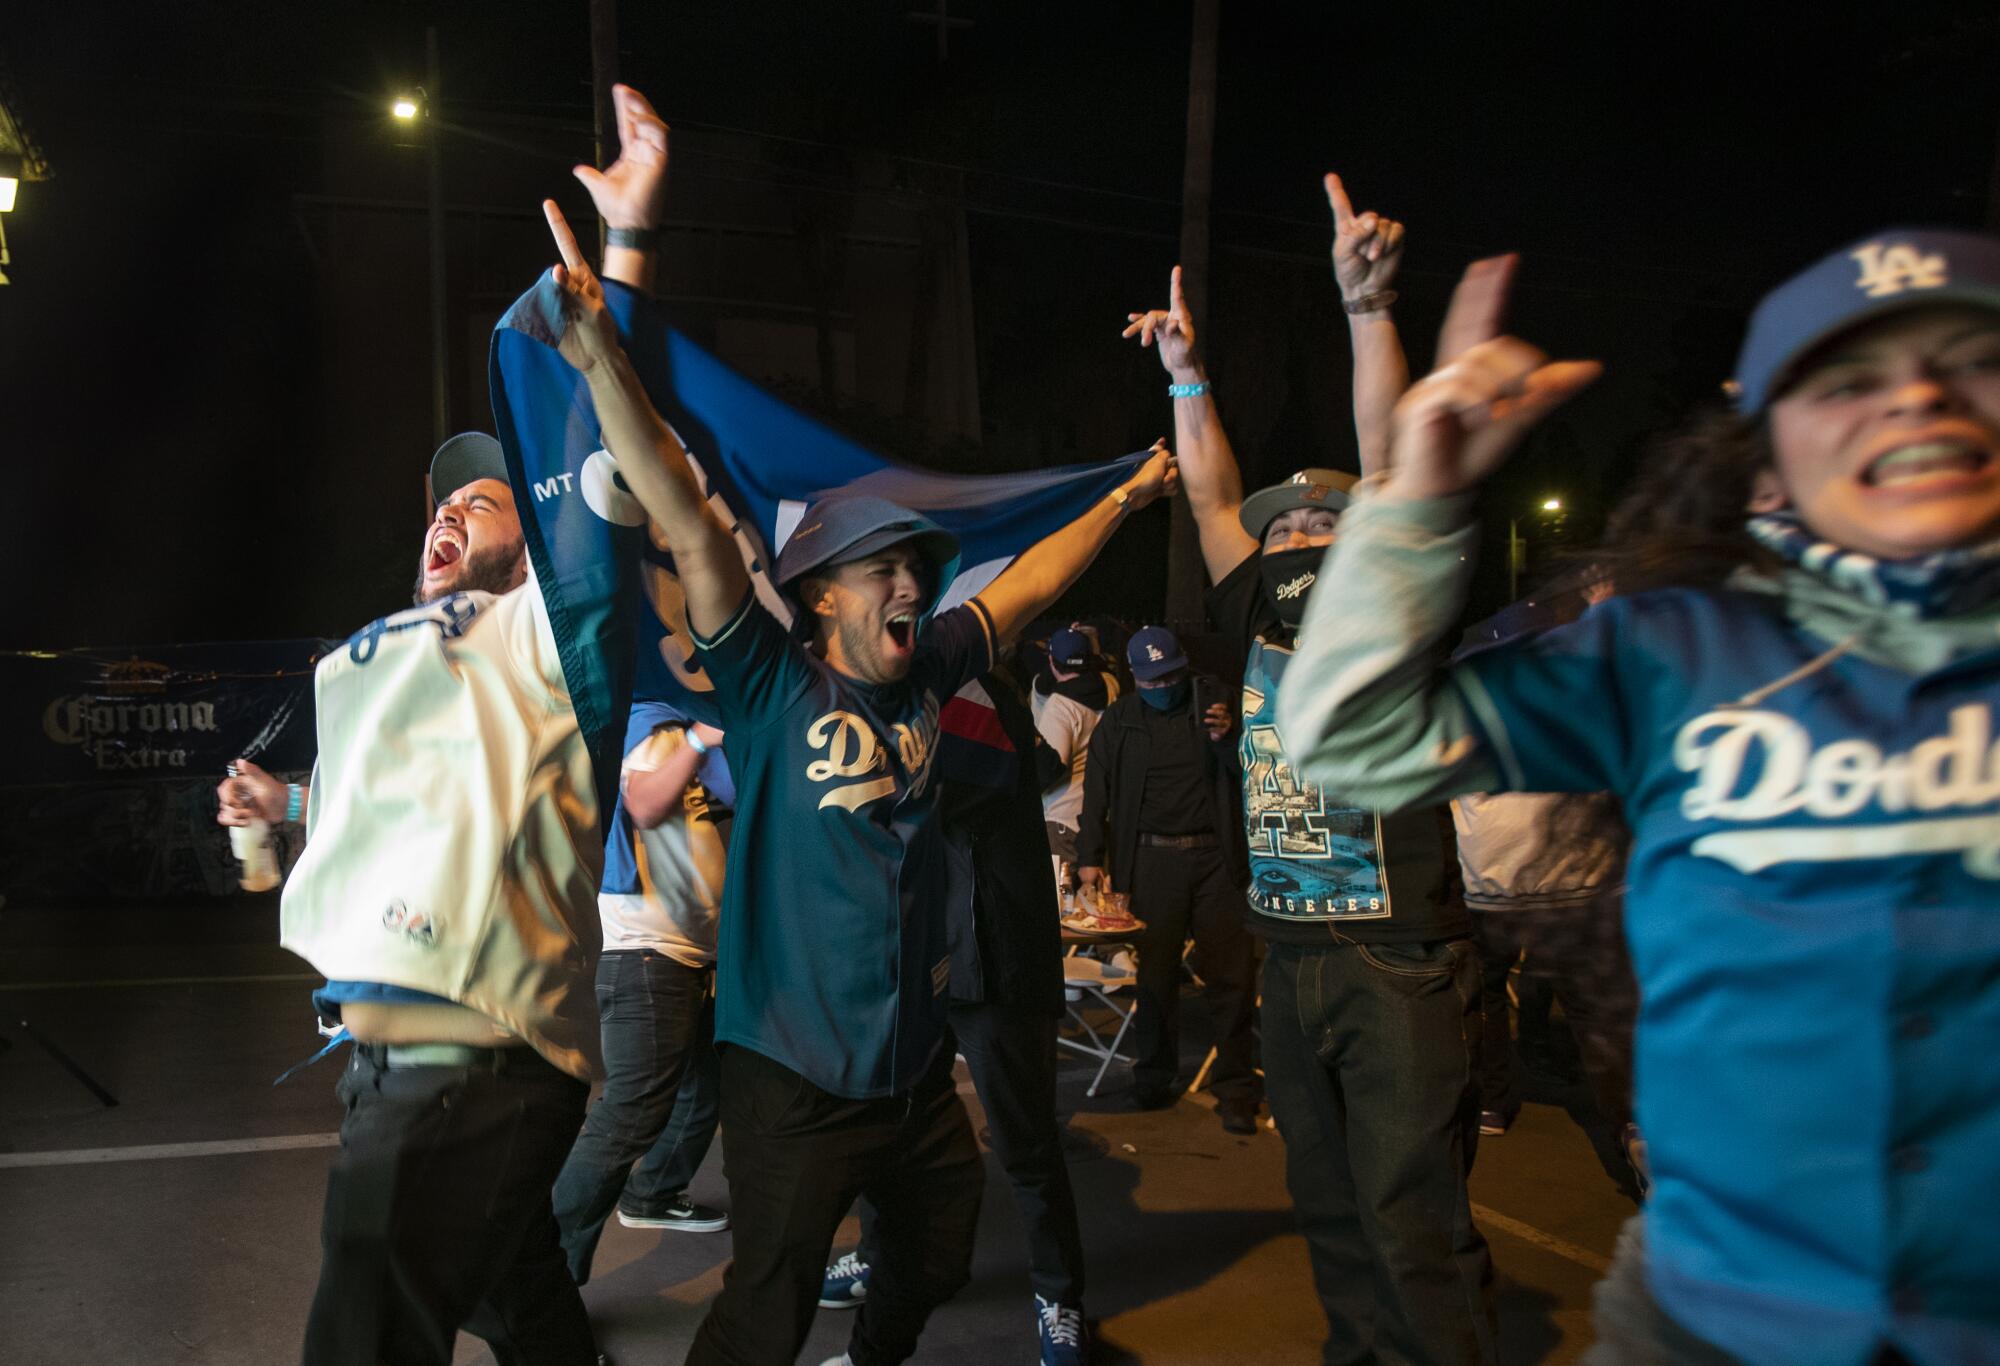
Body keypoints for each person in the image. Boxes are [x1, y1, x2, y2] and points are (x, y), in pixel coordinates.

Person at [1275, 227, 2000, 1363]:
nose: (1913, 401)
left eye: (1971, 362)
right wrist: (1418, 495)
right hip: (1716, 1312)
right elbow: (1350, 738)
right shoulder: (1674, 651)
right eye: (1846, 380)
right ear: (1764, 450)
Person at [531, 156, 1178, 1365]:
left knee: (931, 1254)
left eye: (914, 571)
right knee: (762, 1306)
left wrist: (1125, 502)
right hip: (790, 1079)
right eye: (882, 569)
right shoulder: (773, 684)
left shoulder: (930, 669)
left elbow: (1031, 578)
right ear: (819, 599)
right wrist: (597, 359)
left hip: (914, 1076)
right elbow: (674, 501)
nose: (910, 585)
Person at [214, 83, 682, 1366]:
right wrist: (269, 826)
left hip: (459, 1072)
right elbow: (342, 851)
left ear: (528, 543)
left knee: (360, 1341)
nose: (445, 515)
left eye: (479, 501)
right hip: (388, 1060)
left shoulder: (548, 631)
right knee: (518, 1302)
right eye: (435, 503)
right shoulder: (386, 666)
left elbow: (599, 481)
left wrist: (623, 267)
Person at [1123, 178, 1498, 1362]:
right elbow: (1211, 493)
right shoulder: (1260, 611)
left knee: (1412, 1220)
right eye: (1284, 527)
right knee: (1330, 1213)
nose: (1293, 532)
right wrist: (1185, 376)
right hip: (1289, 954)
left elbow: (1385, 466)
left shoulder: (1384, 592)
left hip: (1394, 953)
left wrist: (1365, 307)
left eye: (1317, 521)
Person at [820, 663, 1093, 1366]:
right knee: (894, 1131)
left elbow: (956, 787)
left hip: (996, 957)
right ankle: (882, 1258)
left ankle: (1059, 1297)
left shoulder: (971, 693)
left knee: (1025, 1141)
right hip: (918, 959)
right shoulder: (904, 699)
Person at [550, 702, 733, 1287]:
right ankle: (537, 1278)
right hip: (645, 953)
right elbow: (645, 804)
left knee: (704, 1088)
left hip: (685, 955)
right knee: (629, 1114)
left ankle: (652, 1194)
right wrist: (702, 737)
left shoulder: (692, 741)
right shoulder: (653, 723)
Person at [1072, 625, 1259, 1133]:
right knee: (1155, 979)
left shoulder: (1217, 703)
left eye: (1172, 677)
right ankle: (1153, 1077)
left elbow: (1255, 773)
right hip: (1152, 860)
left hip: (1217, 859)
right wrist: (1091, 856)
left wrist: (1229, 739)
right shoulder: (1121, 719)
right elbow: (1097, 790)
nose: (1163, 688)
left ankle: (1237, 1087)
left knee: (1233, 979)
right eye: (1152, 681)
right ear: (1134, 677)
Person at [1032, 625, 1121, 879]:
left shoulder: (1060, 707)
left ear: (1051, 661)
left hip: (1061, 820)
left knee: (1061, 910)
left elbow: (1051, 768)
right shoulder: (1109, 686)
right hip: (1094, 820)